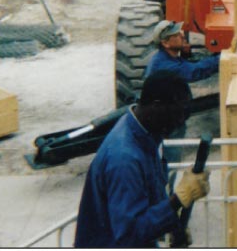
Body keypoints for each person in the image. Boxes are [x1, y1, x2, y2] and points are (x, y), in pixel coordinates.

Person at [74, 72, 208, 247]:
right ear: (156, 106)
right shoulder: (124, 159)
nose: (179, 123)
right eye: (177, 115)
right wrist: (178, 200)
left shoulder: (145, 131)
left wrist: (173, 226)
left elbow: (153, 192)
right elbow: (129, 235)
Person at [145, 20, 219, 181]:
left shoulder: (167, 58)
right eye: (176, 35)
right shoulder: (165, 65)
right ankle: (166, 196)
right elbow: (195, 71)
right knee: (170, 163)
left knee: (166, 162)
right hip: (166, 121)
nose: (182, 35)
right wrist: (222, 57)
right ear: (165, 42)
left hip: (167, 116)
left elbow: (189, 64)